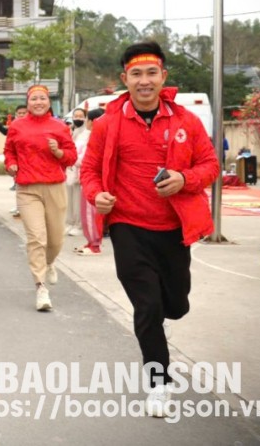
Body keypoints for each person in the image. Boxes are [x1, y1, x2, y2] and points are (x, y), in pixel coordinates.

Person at [81, 41, 219, 418]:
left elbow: (210, 165)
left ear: (163, 77)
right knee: (147, 305)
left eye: (151, 73)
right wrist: (98, 196)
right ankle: (158, 381)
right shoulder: (108, 124)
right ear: (124, 79)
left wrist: (184, 178)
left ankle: (162, 321)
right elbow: (89, 171)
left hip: (174, 228)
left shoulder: (185, 122)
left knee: (175, 305)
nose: (144, 81)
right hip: (129, 227)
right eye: (136, 74)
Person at [4, 85, 77, 311]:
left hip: (54, 187)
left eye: (42, 98)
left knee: (55, 240)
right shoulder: (16, 126)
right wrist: (11, 164)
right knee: (36, 238)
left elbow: (72, 157)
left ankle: (49, 262)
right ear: (28, 102)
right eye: (34, 98)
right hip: (27, 188)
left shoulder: (60, 127)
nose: (38, 102)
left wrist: (57, 152)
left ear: (48, 102)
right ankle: (40, 287)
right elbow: (9, 151)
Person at [74, 108, 106, 256]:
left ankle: (95, 244)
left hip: (92, 181)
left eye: (87, 119)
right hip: (84, 178)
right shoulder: (87, 135)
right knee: (85, 213)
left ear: (94, 121)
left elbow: (87, 159)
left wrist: (73, 159)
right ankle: (90, 241)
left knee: (90, 213)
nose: (85, 122)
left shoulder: (98, 137)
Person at [64, 108, 88, 236]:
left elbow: (85, 154)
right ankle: (70, 222)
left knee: (78, 199)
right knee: (69, 198)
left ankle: (79, 225)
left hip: (79, 169)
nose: (78, 118)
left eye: (81, 116)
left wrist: (74, 160)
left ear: (85, 118)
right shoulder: (70, 132)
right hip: (69, 169)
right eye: (75, 116)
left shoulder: (87, 134)